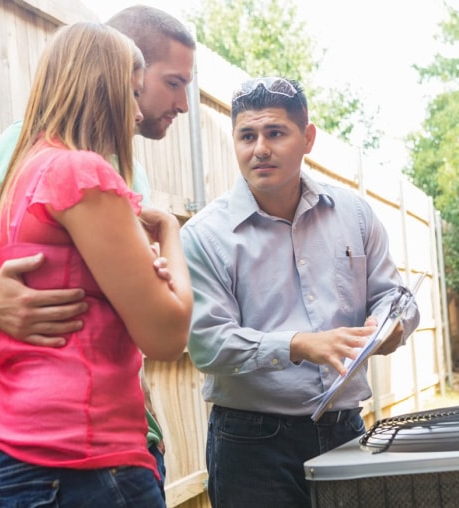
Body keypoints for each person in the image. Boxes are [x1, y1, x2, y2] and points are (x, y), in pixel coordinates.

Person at [0, 4, 196, 489]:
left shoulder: (41, 165)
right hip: (80, 455)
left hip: (22, 443)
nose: (182, 103)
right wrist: (170, 232)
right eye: (169, 83)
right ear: (115, 77)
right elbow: (167, 335)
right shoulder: (78, 170)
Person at [181, 76, 421, 507]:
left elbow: (396, 296)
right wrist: (298, 345)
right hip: (250, 443)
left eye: (275, 133)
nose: (260, 149)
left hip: (346, 429)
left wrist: (391, 326)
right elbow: (207, 345)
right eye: (247, 136)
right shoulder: (204, 235)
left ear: (307, 138)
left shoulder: (355, 214)